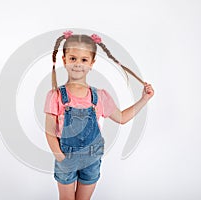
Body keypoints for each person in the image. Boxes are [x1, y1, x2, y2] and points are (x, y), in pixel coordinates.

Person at [44, 30, 154, 200]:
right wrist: (60, 157)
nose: (78, 64)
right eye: (73, 58)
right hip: (66, 157)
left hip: (92, 158)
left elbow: (122, 118)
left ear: (91, 63)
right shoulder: (56, 96)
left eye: (84, 60)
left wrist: (143, 99)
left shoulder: (100, 96)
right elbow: (50, 131)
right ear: (64, 60)